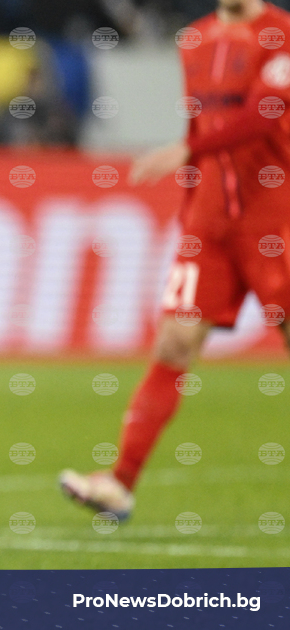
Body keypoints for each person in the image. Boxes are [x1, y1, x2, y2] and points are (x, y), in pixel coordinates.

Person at [60, 0, 290, 520]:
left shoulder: (281, 34)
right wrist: (190, 210)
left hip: (274, 217)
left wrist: (190, 150)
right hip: (209, 224)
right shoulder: (195, 39)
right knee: (175, 341)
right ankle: (119, 483)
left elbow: (263, 115)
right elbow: (198, 124)